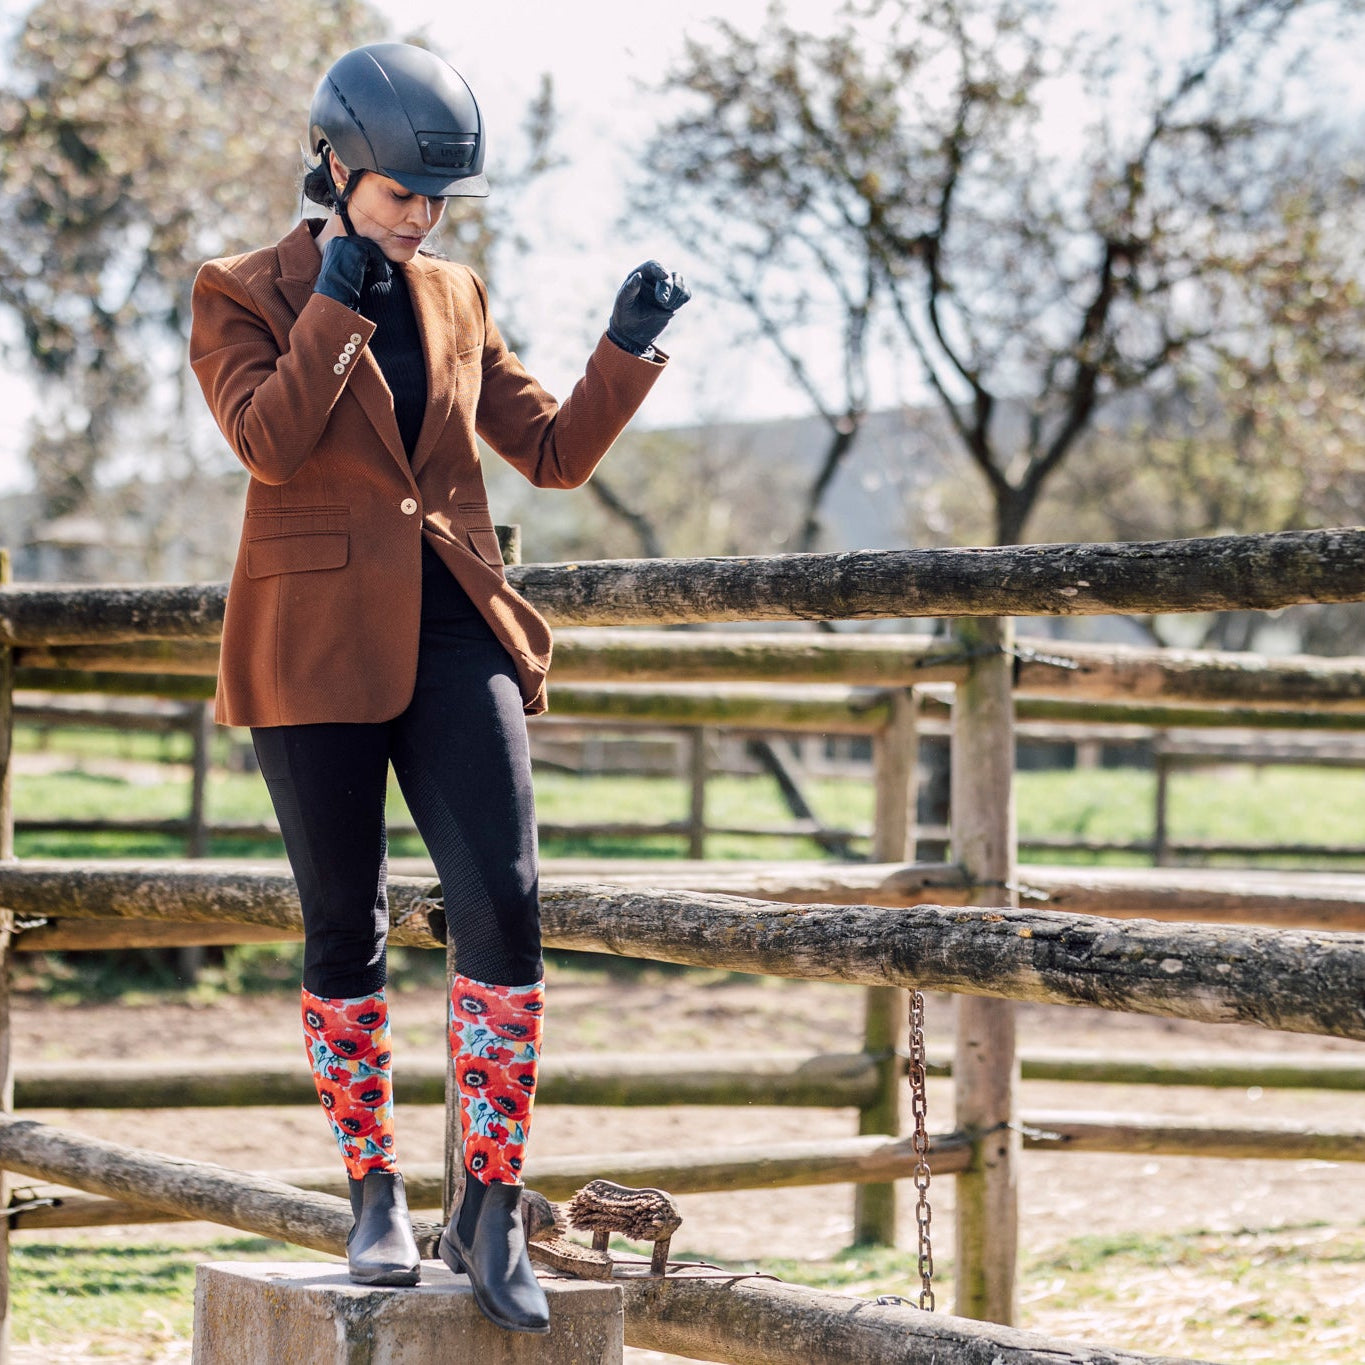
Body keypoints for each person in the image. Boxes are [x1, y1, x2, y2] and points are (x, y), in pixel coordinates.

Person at [189, 41, 688, 1335]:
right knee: (340, 924)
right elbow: (266, 439)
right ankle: (372, 1190)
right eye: (403, 194)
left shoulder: (457, 293)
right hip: (308, 639)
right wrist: (337, 308)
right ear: (341, 167)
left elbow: (553, 452)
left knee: (505, 907)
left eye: (438, 201)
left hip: (453, 630)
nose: (422, 217)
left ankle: (487, 1194)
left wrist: (623, 350)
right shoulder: (238, 289)